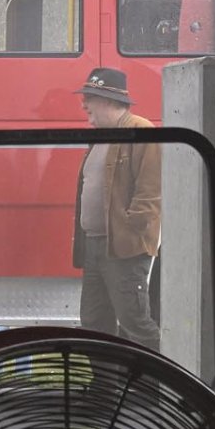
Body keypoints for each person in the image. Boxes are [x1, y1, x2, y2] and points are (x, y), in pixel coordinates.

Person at [71, 67, 162, 352]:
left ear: (109, 100)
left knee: (135, 324)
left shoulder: (140, 131)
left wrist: (130, 229)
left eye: (89, 98)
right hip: (95, 245)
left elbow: (151, 191)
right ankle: (106, 380)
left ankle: (153, 379)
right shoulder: (101, 136)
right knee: (94, 322)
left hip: (124, 249)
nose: (84, 104)